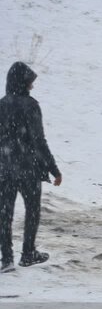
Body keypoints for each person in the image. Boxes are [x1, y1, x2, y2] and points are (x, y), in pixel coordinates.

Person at [0, 62, 62, 274]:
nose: (32, 87)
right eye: (30, 82)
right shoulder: (31, 105)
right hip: (29, 168)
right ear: (23, 82)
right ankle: (28, 253)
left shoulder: (1, 105)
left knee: (4, 214)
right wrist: (54, 169)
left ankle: (6, 258)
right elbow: (39, 140)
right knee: (32, 211)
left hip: (4, 169)